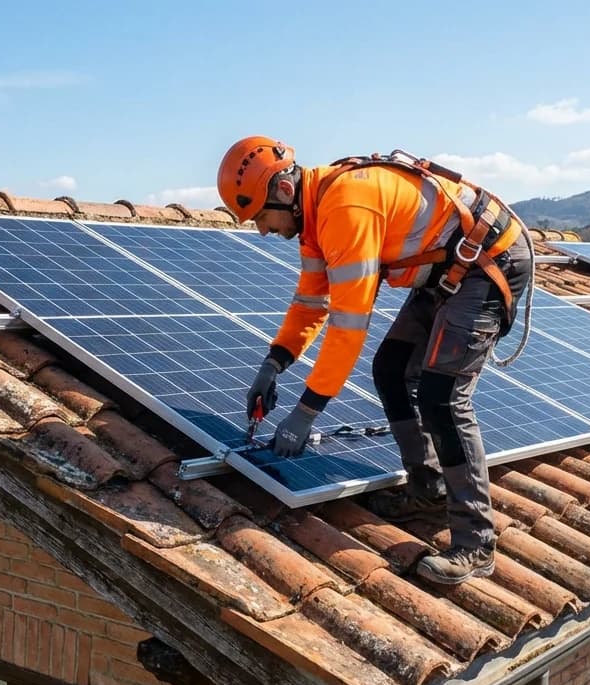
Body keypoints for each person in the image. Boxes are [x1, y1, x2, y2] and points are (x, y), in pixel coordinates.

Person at [217, 136, 533, 586]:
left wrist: (305, 413)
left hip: (487, 263)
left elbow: (348, 326)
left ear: (285, 192)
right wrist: (273, 364)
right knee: (391, 369)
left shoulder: (346, 210)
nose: (263, 231)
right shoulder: (314, 218)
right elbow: (310, 305)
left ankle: (477, 543)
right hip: (449, 267)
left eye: (262, 218)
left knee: (444, 395)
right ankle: (428, 491)